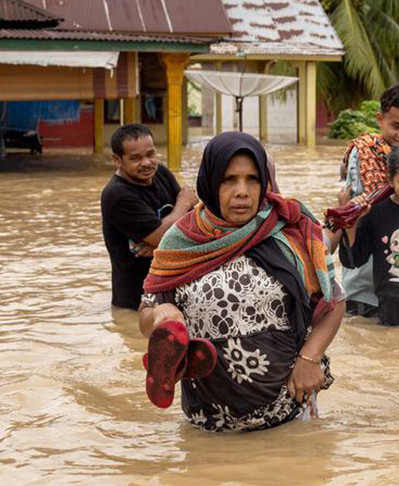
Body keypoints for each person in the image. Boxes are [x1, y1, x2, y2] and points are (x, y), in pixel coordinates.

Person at [138, 131, 345, 432]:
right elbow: (145, 315)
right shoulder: (180, 240)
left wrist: (310, 358)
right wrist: (159, 316)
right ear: (209, 182)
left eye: (252, 180)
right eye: (228, 180)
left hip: (290, 415)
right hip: (208, 423)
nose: (242, 191)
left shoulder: (290, 231)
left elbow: (334, 302)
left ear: (264, 182)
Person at [334, 83, 399, 318]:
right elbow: (361, 209)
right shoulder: (364, 153)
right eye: (396, 126)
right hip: (363, 285)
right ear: (380, 119)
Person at [101, 124, 197, 310]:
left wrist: (159, 245)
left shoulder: (160, 173)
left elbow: (194, 219)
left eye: (150, 154)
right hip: (136, 302)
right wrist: (182, 204)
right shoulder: (117, 195)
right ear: (117, 160)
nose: (146, 163)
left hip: (172, 289)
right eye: (135, 158)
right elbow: (162, 236)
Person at [337, 147, 399, 327]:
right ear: (390, 181)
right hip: (387, 306)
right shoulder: (375, 213)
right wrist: (351, 222)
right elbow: (352, 260)